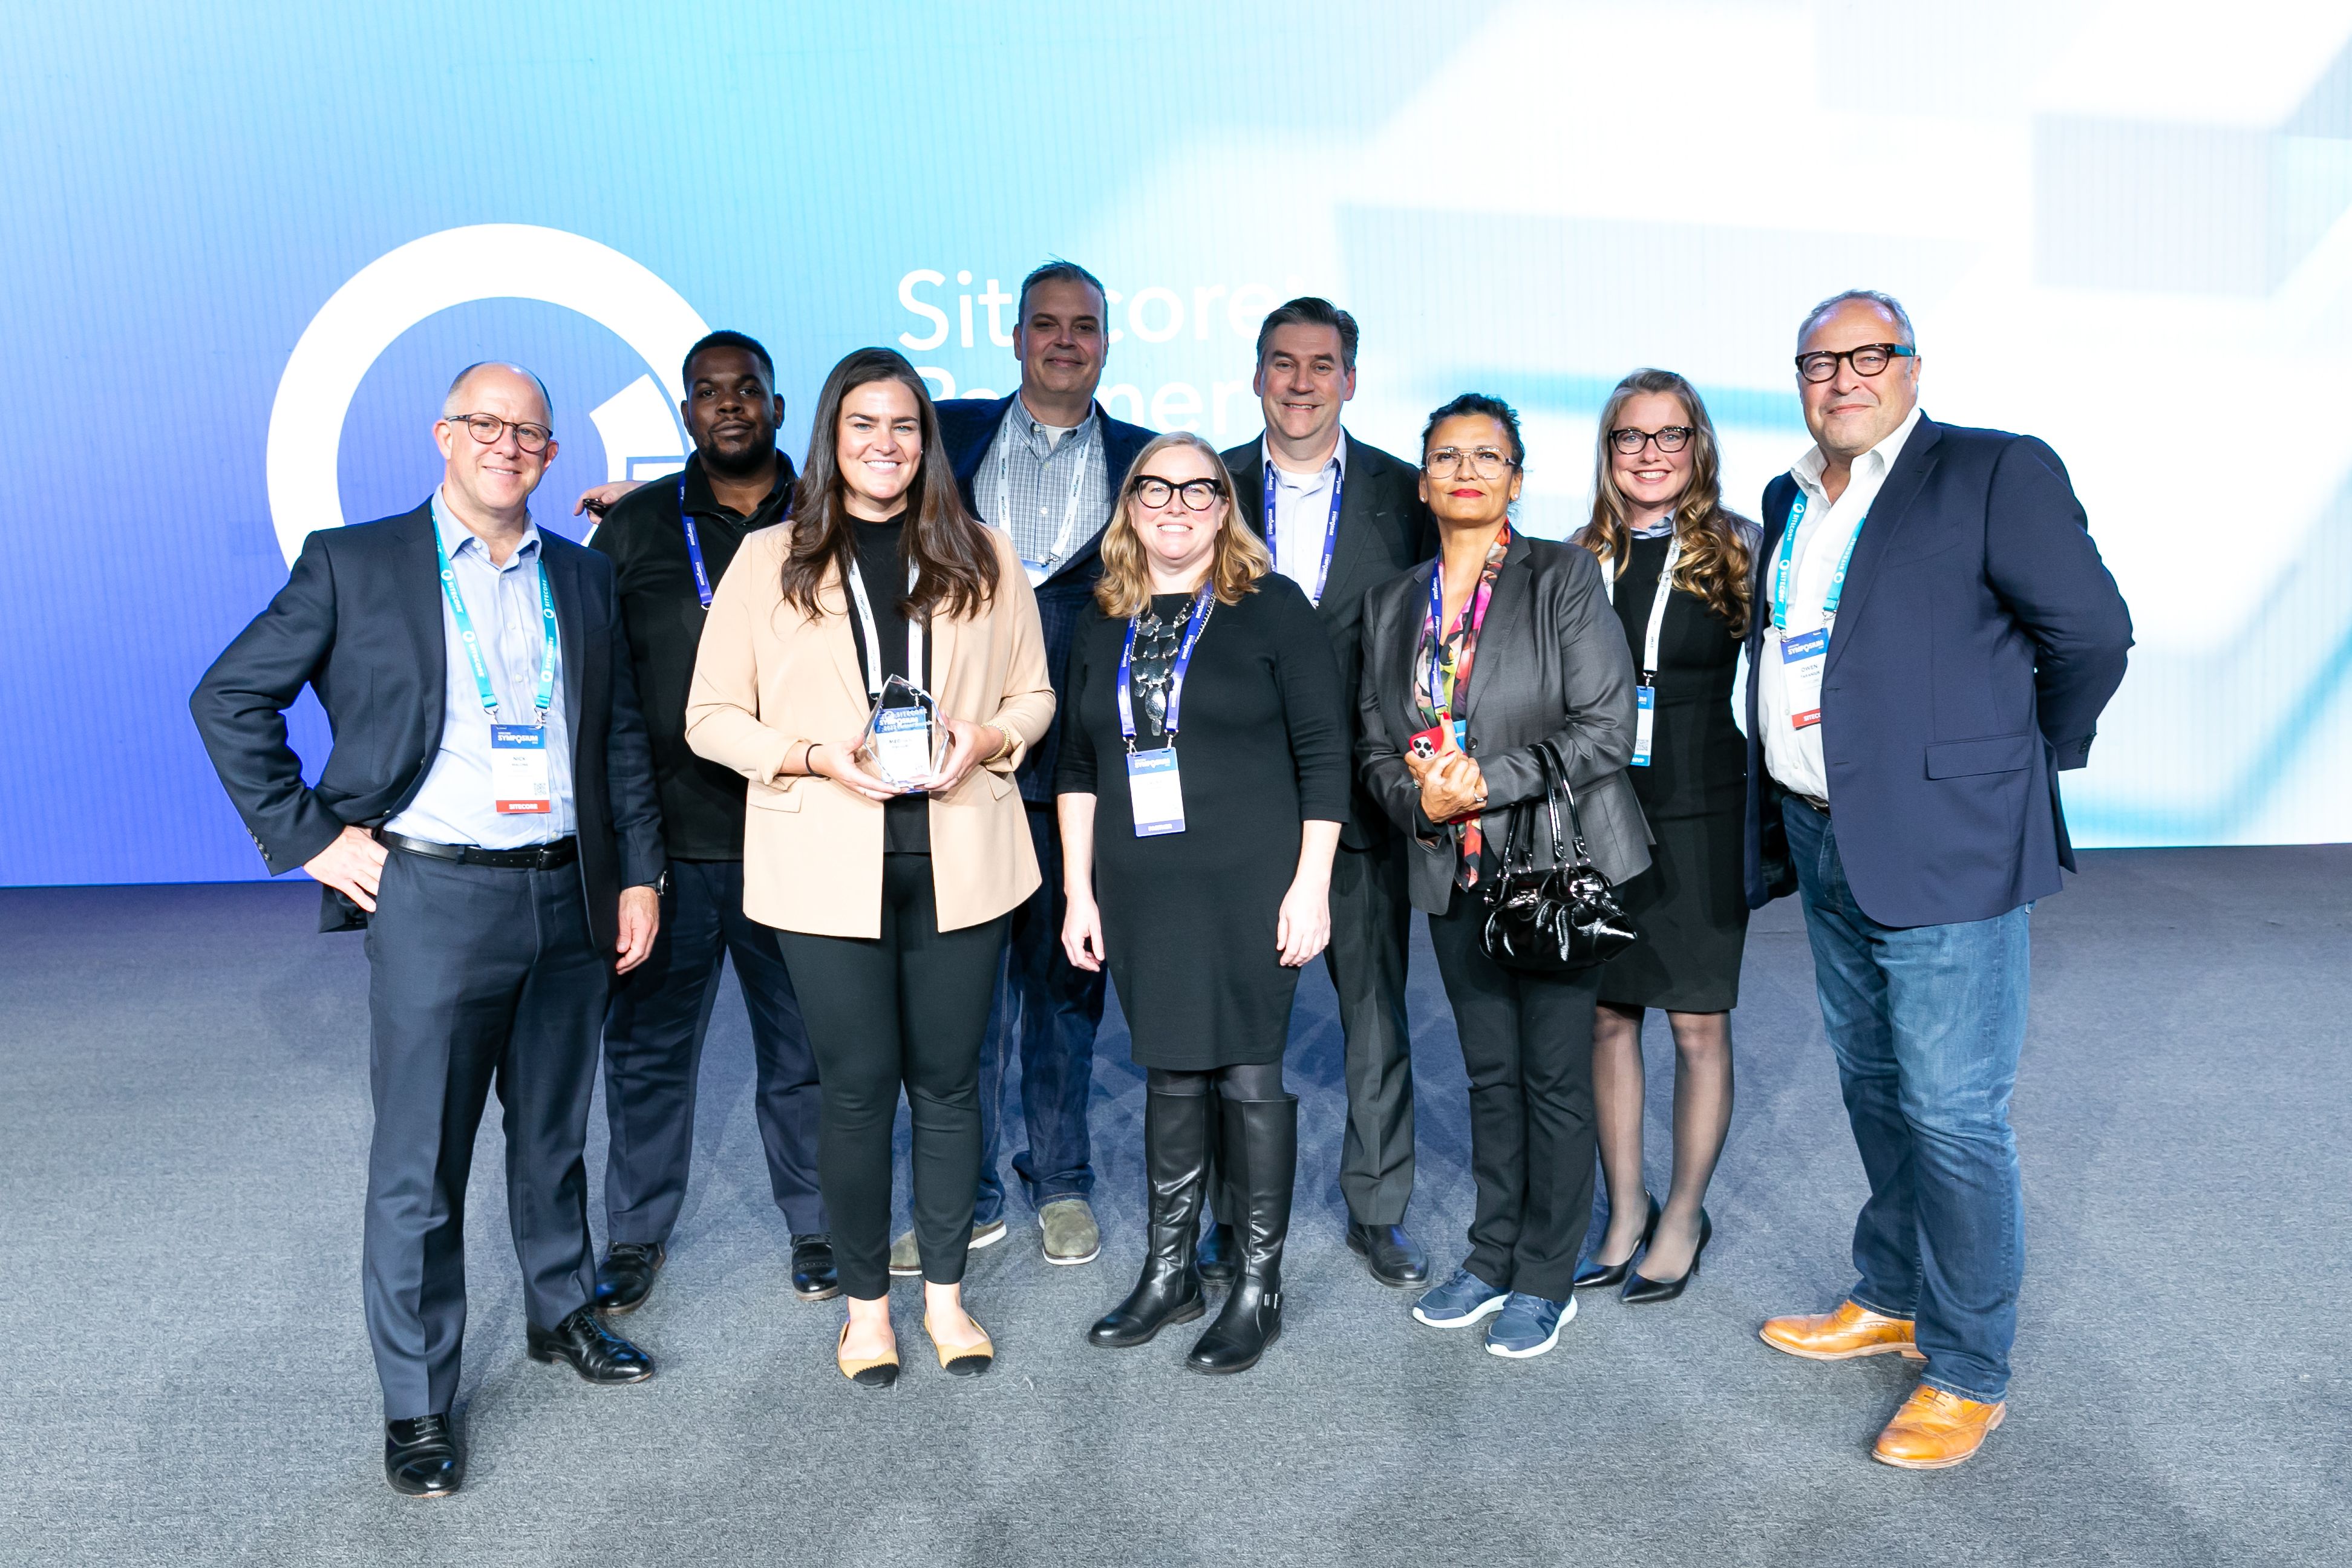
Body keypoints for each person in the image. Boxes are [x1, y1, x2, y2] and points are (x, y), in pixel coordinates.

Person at [190, 363, 666, 1497]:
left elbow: (618, 742)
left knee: (553, 1137)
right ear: (445, 434)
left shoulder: (585, 579)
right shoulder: (354, 565)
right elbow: (229, 697)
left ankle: (562, 1313)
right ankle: (418, 1404)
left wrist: (638, 875)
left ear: (551, 458)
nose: (508, 445)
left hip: (570, 893)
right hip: (434, 898)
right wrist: (311, 837)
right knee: (421, 1166)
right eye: (486, 424)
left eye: (530, 434)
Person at [1747, 290, 2131, 1468]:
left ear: (1913, 366)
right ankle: (1896, 1292)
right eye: (1821, 361)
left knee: (1955, 1114)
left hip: (1952, 840)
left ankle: (1968, 1367)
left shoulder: (1994, 472)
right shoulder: (1788, 496)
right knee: (1872, 1082)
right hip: (1825, 832)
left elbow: (2091, 637)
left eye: (1868, 356)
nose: (1843, 377)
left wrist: (2013, 764)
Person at [685, 347, 1055, 1387]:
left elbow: (1036, 697)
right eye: (863, 426)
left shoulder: (986, 554)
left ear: (926, 442)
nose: (884, 445)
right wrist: (810, 756)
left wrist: (982, 740)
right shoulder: (771, 560)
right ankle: (864, 1310)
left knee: (947, 1087)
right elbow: (709, 718)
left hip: (962, 856)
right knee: (852, 1093)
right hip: (822, 858)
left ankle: (942, 1297)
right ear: (832, 438)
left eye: (903, 426)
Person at [1358, 394, 1647, 1360]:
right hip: (1454, 869)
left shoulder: (1562, 576)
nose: (1466, 471)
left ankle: (1547, 1277)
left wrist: (1486, 781)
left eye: (1488, 457)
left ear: (1517, 479)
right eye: (1447, 457)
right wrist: (1420, 804)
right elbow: (1374, 747)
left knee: (1554, 1078)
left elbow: (1607, 729)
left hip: (1552, 866)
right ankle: (1492, 1257)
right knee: (1489, 1076)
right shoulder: (1394, 603)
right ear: (1425, 480)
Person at [1059, 433, 1348, 1373]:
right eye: (1156, 489)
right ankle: (1171, 1271)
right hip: (1142, 888)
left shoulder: (1273, 610)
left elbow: (1325, 758)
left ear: (1225, 506)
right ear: (1129, 505)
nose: (1176, 506)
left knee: (1250, 1077)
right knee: (1171, 1073)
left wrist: (1312, 886)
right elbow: (1077, 765)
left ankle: (1258, 1288)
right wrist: (1077, 891)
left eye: (1198, 490)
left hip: (1253, 883)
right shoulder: (1102, 615)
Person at [581, 330, 833, 1315]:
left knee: (805, 1050)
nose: (730, 405)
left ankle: (819, 1224)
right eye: (708, 393)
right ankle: (636, 1234)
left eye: (749, 390)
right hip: (671, 847)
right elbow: (605, 698)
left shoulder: (831, 515)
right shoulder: (637, 527)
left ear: (778, 403)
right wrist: (628, 854)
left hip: (800, 828)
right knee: (647, 1054)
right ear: (686, 412)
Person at [912, 260, 1155, 1272]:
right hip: (960, 769)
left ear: (1106, 344)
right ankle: (963, 1191)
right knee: (960, 995)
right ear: (1013, 337)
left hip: (1082, 779)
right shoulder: (944, 437)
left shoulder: (1148, 463)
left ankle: (1059, 1179)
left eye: (1085, 327)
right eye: (1046, 325)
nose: (1065, 341)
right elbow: (830, 500)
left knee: (1065, 987)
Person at [1216, 298, 1433, 1287]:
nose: (1301, 382)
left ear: (1352, 378)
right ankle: (1231, 1214)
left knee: (1375, 1012)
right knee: (1236, 1025)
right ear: (1257, 374)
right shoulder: (1204, 486)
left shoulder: (1404, 492)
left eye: (1322, 364)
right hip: (1237, 805)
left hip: (1365, 798)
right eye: (1283, 363)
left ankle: (1379, 1209)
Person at [1570, 370, 1759, 1304]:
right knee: (1608, 1016)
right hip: (1599, 815)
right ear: (1607, 452)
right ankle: (1625, 1209)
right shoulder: (1573, 558)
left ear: (1699, 447)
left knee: (1695, 1023)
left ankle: (1685, 1213)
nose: (1649, 453)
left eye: (1669, 435)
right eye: (1629, 437)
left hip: (1704, 812)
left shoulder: (1742, 553)